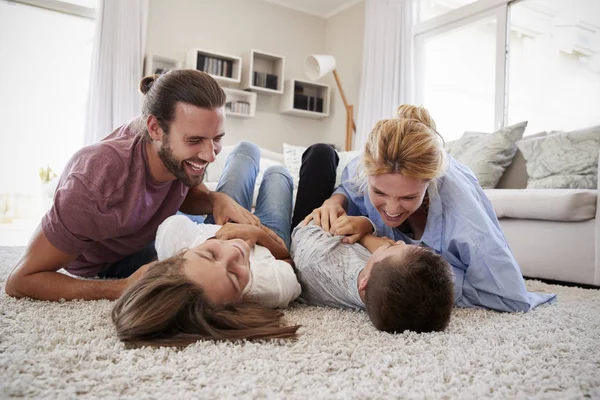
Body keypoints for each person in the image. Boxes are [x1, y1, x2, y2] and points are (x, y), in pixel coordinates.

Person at [6, 70, 260, 301]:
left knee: (246, 158)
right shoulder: (93, 184)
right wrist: (122, 287)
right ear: (155, 128)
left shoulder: (178, 151)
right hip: (110, 263)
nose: (210, 155)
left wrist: (216, 199)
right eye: (195, 140)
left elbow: (184, 190)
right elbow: (21, 280)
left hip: (150, 227)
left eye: (216, 138)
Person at [299, 105, 556, 313]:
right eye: (378, 192)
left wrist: (379, 245)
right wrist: (336, 200)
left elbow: (509, 296)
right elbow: (349, 187)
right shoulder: (363, 167)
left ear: (430, 182)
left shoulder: (464, 215)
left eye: (408, 197)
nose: (391, 209)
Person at [112, 162, 301, 346]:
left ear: (179, 255)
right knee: (277, 173)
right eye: (234, 276)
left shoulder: (175, 239)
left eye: (210, 253)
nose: (234, 252)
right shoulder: (272, 287)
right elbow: (288, 257)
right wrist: (258, 233)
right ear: (239, 303)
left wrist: (216, 202)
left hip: (219, 226)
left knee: (244, 155)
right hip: (268, 236)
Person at [291, 144, 454, 333]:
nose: (399, 241)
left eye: (391, 248)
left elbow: (304, 230)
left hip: (305, 231)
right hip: (338, 235)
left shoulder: (322, 259)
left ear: (365, 281)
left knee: (318, 155)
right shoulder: (383, 289)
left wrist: (366, 233)